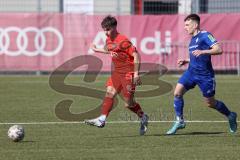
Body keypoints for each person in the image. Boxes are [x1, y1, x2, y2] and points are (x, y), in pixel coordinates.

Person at [166, 14, 237, 135]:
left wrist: (204, 51)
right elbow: (197, 56)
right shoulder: (192, 39)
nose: (185, 27)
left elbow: (219, 49)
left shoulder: (205, 35)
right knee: (177, 92)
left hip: (205, 76)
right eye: (184, 25)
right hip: (191, 72)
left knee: (210, 103)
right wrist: (187, 60)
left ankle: (230, 115)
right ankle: (179, 121)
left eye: (187, 25)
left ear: (195, 25)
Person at [84, 15, 149, 135]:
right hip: (117, 72)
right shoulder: (108, 39)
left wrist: (136, 74)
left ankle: (143, 117)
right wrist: (97, 50)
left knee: (128, 104)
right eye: (104, 29)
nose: (106, 32)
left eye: (108, 29)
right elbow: (110, 50)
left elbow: (136, 55)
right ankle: (102, 119)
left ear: (114, 27)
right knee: (109, 92)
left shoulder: (123, 40)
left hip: (128, 74)